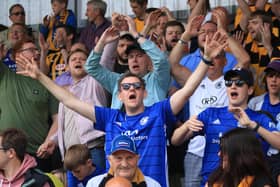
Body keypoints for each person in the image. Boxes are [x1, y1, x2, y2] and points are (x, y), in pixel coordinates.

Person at [15, 26, 228, 186]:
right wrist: (40, 76)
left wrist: (206, 59)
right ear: (119, 94)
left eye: (137, 86)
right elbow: (69, 100)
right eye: (126, 87)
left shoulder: (158, 112)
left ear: (144, 93)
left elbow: (188, 88)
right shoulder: (109, 117)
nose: (132, 90)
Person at [170, 14, 250, 187]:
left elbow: (244, 60)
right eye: (210, 56)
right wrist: (185, 36)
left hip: (225, 151)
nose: (212, 59)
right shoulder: (194, 81)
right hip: (195, 150)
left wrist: (223, 32)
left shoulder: (231, 82)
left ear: (225, 61)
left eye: (217, 56)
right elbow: (173, 65)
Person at [171, 68, 280, 186]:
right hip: (212, 182)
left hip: (246, 183)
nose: (233, 86)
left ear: (250, 90)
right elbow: (175, 141)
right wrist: (186, 125)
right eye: (229, 83)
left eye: (239, 83)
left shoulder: (260, 118)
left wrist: (253, 126)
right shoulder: (210, 113)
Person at [85, 16, 171, 109]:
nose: (134, 60)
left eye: (139, 56)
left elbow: (161, 60)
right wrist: (102, 42)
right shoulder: (117, 80)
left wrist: (135, 34)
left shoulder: (157, 80)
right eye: (131, 56)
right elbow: (91, 67)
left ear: (149, 60)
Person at [0, 38, 59, 172]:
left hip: (37, 152)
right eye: (31, 50)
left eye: (37, 50)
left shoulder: (47, 83)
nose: (37, 53)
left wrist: (49, 141)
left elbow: (57, 118)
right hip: (5, 152)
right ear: (16, 56)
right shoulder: (5, 75)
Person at [248, 60, 280, 186]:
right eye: (271, 76)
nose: (274, 80)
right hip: (256, 159)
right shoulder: (254, 103)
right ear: (265, 79)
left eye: (278, 76)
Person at [206, 128, 273, 187]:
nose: (219, 154)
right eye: (220, 149)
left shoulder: (261, 182)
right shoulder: (217, 176)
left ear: (239, 155)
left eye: (224, 151)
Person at [86, 135, 161, 187]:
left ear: (137, 159)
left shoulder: (153, 185)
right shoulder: (94, 184)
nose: (124, 164)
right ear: (109, 160)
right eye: (118, 158)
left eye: (129, 158)